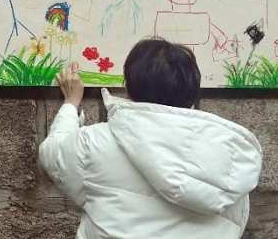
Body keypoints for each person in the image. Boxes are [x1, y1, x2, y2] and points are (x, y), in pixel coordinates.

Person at [39, 38, 263, 239]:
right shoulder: (230, 159)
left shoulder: (96, 143)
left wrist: (70, 103)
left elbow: (52, 155)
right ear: (193, 92)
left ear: (130, 87)